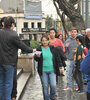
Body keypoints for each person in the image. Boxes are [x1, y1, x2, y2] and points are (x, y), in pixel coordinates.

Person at [0, 16, 36, 100]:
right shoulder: (13, 35)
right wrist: (32, 50)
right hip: (9, 63)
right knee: (8, 84)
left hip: (0, 62)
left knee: (1, 83)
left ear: (4, 24)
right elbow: (24, 47)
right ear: (12, 24)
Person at [34, 35, 62, 100]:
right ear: (41, 42)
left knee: (53, 85)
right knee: (45, 86)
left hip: (52, 70)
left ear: (48, 41)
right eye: (43, 41)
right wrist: (37, 57)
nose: (44, 42)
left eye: (46, 40)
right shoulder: (39, 49)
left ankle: (52, 97)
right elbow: (36, 59)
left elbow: (57, 58)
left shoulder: (53, 48)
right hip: (43, 70)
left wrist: (60, 66)